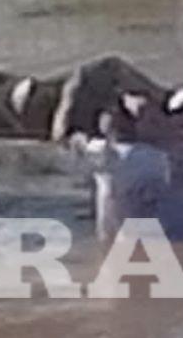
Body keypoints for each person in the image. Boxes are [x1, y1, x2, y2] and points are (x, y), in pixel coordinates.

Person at [68, 97, 170, 241]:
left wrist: (77, 141)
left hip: (111, 221)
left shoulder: (100, 149)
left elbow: (79, 155)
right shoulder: (155, 155)